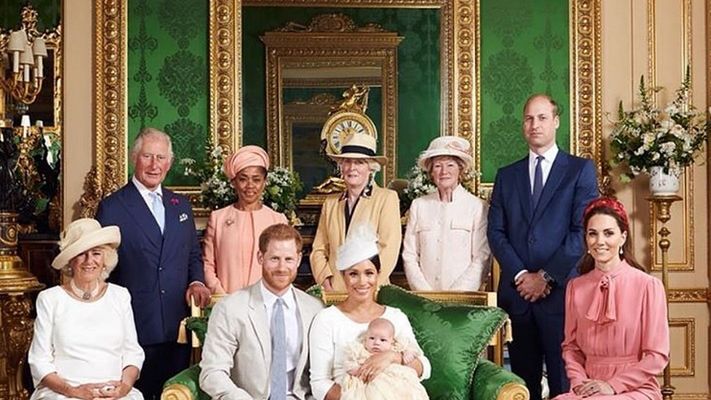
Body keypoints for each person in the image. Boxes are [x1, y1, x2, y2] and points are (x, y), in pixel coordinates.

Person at [487, 94, 598, 400]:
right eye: (528, 118)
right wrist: (522, 275)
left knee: (564, 384)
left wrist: (545, 277)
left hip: (561, 296)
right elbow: (496, 232)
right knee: (523, 386)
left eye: (542, 117)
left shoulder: (579, 170)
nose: (534, 124)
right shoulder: (506, 175)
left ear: (556, 122)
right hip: (518, 296)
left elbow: (581, 232)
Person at [95, 127, 211, 399]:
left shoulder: (180, 205)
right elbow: (102, 268)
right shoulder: (112, 207)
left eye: (161, 158)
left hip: (177, 325)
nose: (154, 165)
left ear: (169, 163)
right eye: (147, 156)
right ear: (134, 158)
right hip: (135, 326)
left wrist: (197, 281)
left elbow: (192, 254)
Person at [553, 198, 669, 400]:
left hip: (635, 389)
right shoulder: (575, 287)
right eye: (593, 234)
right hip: (588, 388)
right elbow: (571, 348)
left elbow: (657, 356)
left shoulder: (648, 286)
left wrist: (612, 385)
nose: (600, 241)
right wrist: (579, 382)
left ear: (623, 237)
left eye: (608, 233)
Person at [199, 223, 324, 399]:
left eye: (288, 259)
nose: (282, 268)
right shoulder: (230, 308)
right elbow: (212, 373)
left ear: (298, 259)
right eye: (274, 259)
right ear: (260, 257)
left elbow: (325, 371)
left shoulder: (314, 308)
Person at [310, 224, 431, 400]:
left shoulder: (395, 317)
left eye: (369, 273)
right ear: (343, 276)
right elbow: (319, 384)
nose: (362, 282)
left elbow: (424, 367)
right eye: (353, 274)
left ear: (378, 274)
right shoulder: (327, 319)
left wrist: (392, 357)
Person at [28, 218, 145, 400]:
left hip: (114, 394)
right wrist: (74, 392)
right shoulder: (50, 299)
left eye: (96, 253)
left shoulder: (120, 296)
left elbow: (133, 353)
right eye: (81, 254)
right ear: (70, 261)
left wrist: (124, 388)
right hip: (63, 394)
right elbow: (39, 360)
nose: (89, 261)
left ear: (105, 259)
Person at [310, 132, 401, 291]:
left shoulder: (386, 198)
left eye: (359, 162)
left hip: (371, 290)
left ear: (371, 168)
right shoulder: (330, 203)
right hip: (335, 290)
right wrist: (324, 279)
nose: (352, 168)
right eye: (347, 161)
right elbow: (319, 248)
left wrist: (368, 285)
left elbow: (389, 248)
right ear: (341, 166)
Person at [402, 135, 491, 291]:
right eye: (437, 166)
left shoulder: (477, 207)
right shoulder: (419, 205)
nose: (444, 172)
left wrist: (457, 295)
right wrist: (424, 293)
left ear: (460, 170)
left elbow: (482, 257)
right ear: (431, 172)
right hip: (424, 297)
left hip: (463, 297)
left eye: (450, 165)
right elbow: (409, 254)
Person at [202, 145, 287, 294]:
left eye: (256, 179)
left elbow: (283, 266)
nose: (250, 186)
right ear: (234, 182)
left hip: (265, 301)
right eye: (243, 179)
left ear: (265, 182)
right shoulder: (218, 218)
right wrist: (221, 295)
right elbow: (208, 264)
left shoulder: (277, 220)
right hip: (226, 300)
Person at [339, 318, 429, 400]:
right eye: (372, 338)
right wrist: (356, 370)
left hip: (397, 379)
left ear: (392, 341)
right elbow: (349, 363)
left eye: (382, 340)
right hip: (371, 382)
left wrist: (407, 354)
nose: (376, 343)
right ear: (365, 338)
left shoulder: (396, 347)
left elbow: (414, 352)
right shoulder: (360, 350)